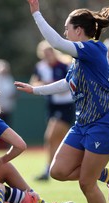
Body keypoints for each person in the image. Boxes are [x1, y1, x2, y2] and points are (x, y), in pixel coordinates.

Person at [15, 0, 109, 203]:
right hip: (83, 124)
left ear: (78, 30)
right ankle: (108, 175)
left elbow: (55, 43)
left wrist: (36, 14)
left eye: (67, 28)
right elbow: (67, 84)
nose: (65, 32)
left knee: (86, 183)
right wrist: (36, 90)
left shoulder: (93, 49)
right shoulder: (78, 59)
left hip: (104, 123)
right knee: (58, 171)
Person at [29, 40, 75, 181]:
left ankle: (52, 168)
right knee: (54, 139)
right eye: (44, 53)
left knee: (51, 136)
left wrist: (47, 85)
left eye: (49, 52)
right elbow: (34, 83)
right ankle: (50, 168)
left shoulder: (64, 65)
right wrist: (44, 85)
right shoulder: (40, 67)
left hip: (67, 104)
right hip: (52, 105)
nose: (47, 55)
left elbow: (66, 86)